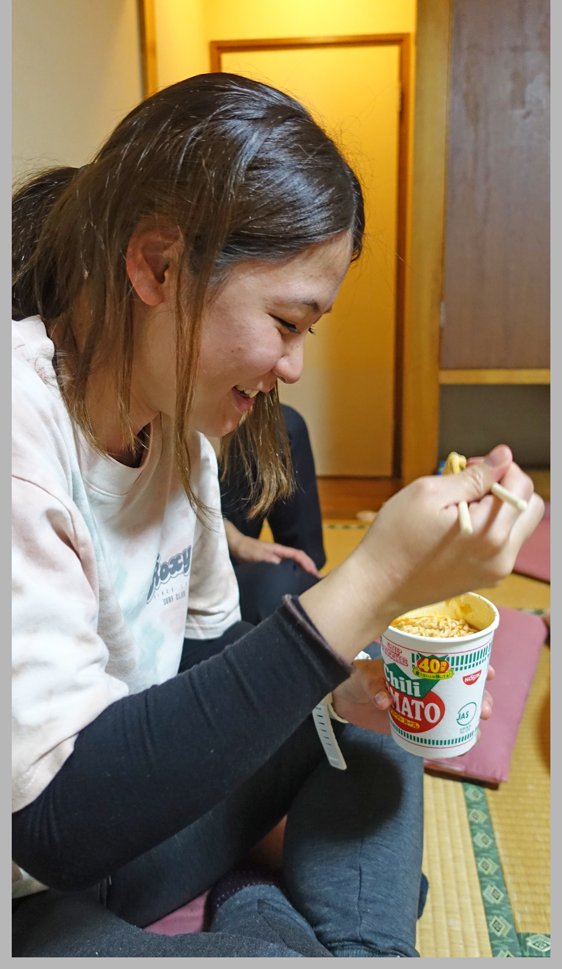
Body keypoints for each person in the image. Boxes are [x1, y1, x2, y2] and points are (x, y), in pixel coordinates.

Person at [12, 73, 542, 958]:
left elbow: (208, 660)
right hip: (37, 876)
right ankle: (274, 915)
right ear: (157, 266)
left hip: (142, 829)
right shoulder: (21, 444)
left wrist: (339, 690)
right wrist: (375, 582)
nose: (293, 367)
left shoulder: (182, 443)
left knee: (376, 752)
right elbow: (54, 823)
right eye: (287, 321)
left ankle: (336, 937)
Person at [221, 404, 325, 624]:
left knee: (280, 424)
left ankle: (307, 572)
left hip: (207, 519)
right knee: (277, 586)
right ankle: (300, 582)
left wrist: (235, 540)